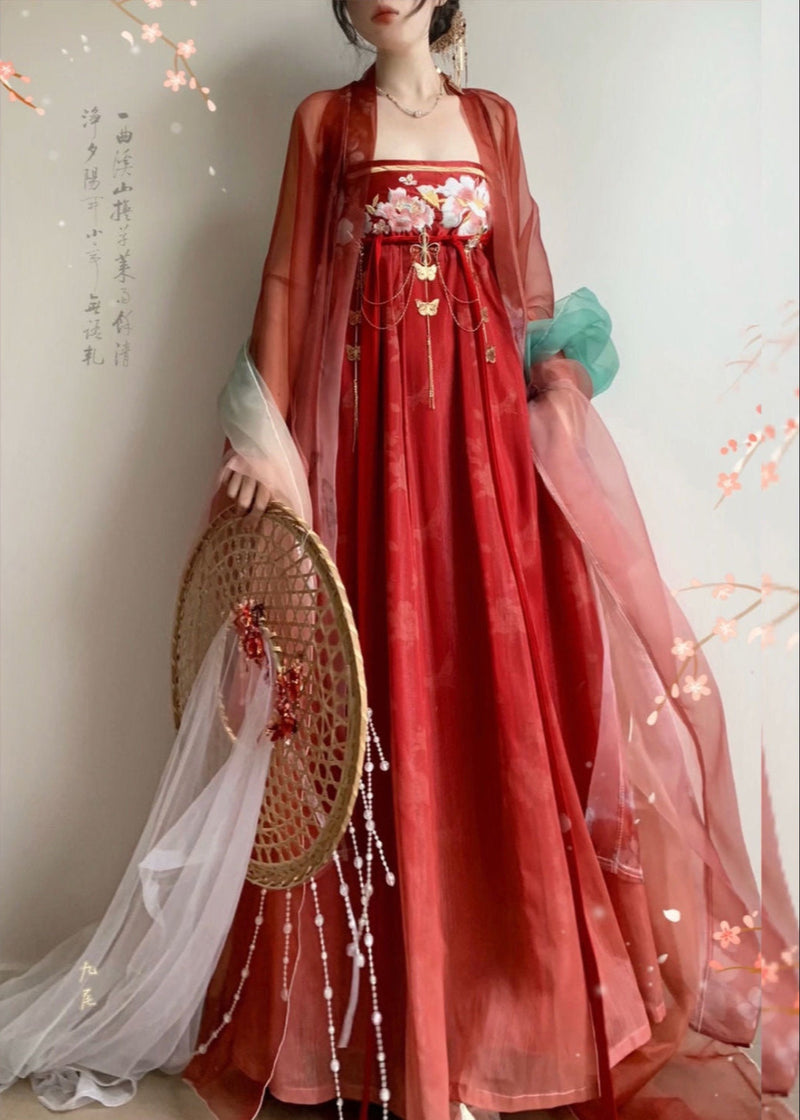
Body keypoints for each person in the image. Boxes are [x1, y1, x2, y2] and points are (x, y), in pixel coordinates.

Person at [180, 3, 763, 1120]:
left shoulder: (493, 121)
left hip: (483, 454)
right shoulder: (324, 123)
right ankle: (391, 1026)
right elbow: (287, 285)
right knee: (372, 703)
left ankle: (504, 1018)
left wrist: (555, 395)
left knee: (495, 699)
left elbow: (523, 291)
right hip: (372, 454)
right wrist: (267, 443)